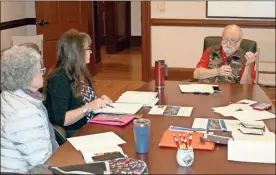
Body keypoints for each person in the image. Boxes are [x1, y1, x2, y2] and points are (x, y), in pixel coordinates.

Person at [44, 29, 113, 137]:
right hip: (77, 133)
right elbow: (62, 119)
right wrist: (90, 106)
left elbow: (85, 103)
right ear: (76, 53)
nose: (91, 52)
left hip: (91, 125)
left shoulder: (80, 72)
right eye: (88, 49)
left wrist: (100, 102)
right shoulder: (59, 79)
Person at [1, 45, 58, 173]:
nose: (43, 72)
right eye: (40, 70)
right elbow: (42, 164)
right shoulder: (24, 114)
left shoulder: (9, 96)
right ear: (27, 76)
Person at [193, 24, 258, 84]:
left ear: (239, 41)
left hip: (232, 94)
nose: (228, 43)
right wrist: (217, 71)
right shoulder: (210, 50)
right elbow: (196, 74)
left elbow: (247, 87)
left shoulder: (245, 57)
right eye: (226, 38)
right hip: (208, 92)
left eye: (232, 40)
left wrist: (248, 66)